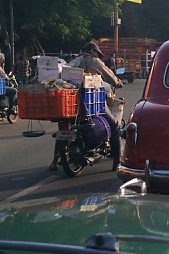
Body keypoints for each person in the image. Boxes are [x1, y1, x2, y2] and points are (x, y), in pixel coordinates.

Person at [49, 42, 123, 171]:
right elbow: (109, 75)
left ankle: (54, 162)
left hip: (70, 103)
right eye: (97, 53)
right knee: (115, 127)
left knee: (64, 129)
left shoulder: (74, 61)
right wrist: (118, 82)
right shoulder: (94, 61)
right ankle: (117, 160)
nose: (98, 56)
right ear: (92, 51)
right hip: (92, 102)